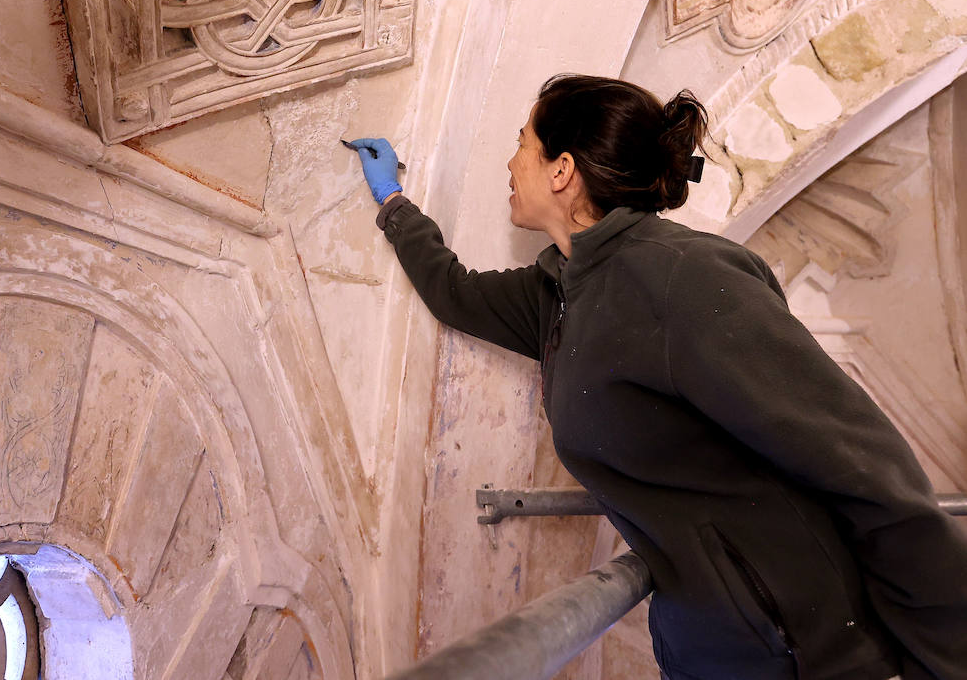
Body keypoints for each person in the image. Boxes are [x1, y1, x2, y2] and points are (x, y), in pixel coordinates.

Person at [350, 74, 967, 680]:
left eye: (522, 142)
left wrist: (945, 660)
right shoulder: (559, 289)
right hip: (711, 650)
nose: (510, 164)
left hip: (814, 653)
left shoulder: (684, 278)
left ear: (562, 170)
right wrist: (392, 202)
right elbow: (456, 294)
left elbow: (864, 467)